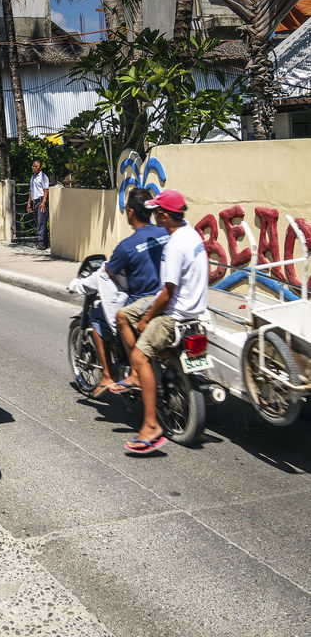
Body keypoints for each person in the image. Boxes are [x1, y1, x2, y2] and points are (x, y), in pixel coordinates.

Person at [116, 189, 209, 455]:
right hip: (194, 308)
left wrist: (147, 318)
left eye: (158, 212)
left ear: (166, 215)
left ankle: (150, 426)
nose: (155, 215)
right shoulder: (192, 234)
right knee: (125, 316)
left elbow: (167, 294)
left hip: (174, 314)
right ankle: (143, 374)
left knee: (140, 354)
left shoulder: (174, 246)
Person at [87, 188, 169, 397]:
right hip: (167, 297)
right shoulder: (166, 232)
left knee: (97, 316)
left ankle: (109, 374)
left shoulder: (127, 246)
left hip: (142, 302)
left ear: (130, 211)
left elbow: (109, 271)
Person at [31, 159, 51, 250]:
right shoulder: (32, 177)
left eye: (36, 167)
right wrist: (29, 203)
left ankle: (41, 243)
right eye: (33, 166)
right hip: (35, 202)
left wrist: (44, 202)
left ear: (40, 168)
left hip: (41, 202)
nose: (34, 168)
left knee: (41, 223)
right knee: (38, 222)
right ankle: (46, 243)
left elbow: (46, 190)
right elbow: (30, 191)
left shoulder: (43, 177)